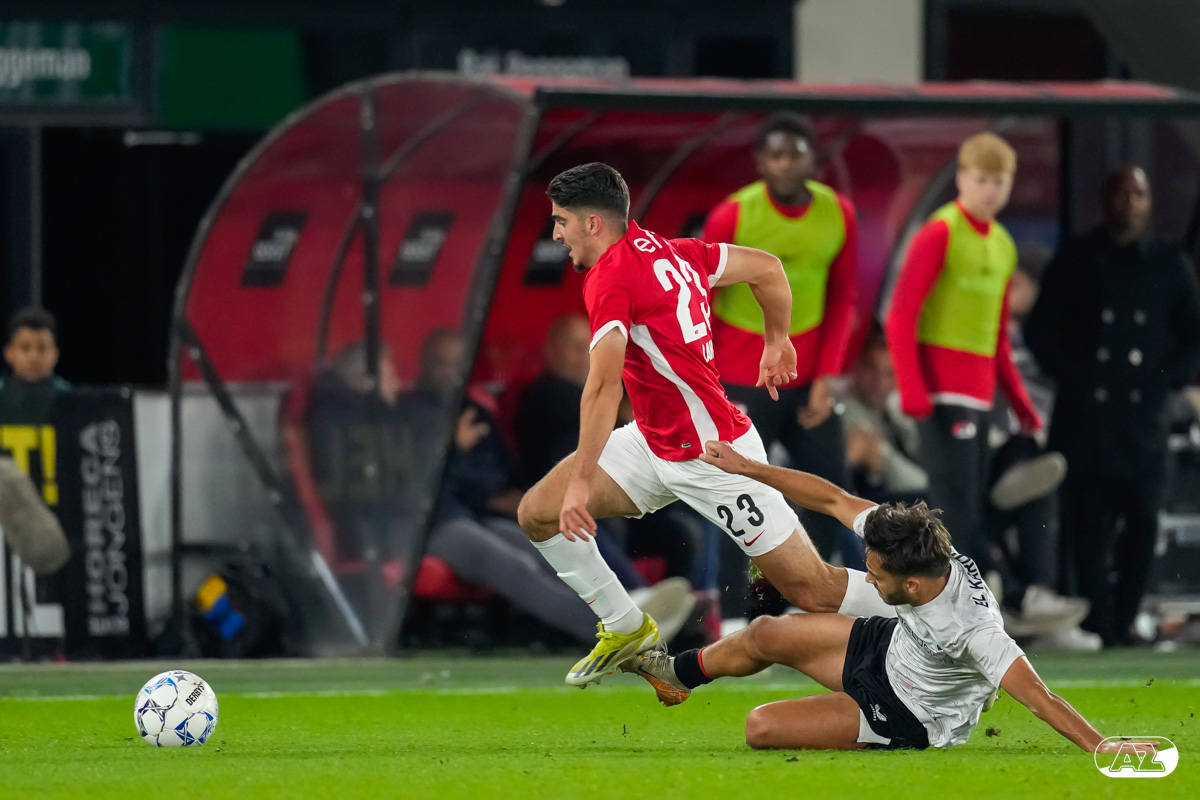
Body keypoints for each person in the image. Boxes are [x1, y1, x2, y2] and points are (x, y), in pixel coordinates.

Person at [517, 162, 897, 687]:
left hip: (714, 455)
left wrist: (581, 481)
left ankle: (943, 610)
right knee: (537, 513)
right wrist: (777, 339)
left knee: (812, 589)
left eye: (561, 221)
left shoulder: (610, 277)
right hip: (654, 443)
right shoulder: (673, 251)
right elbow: (767, 268)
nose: (557, 234)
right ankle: (625, 624)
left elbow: (603, 386)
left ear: (593, 224)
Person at [623, 440, 1154, 757]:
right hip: (891, 645)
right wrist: (750, 469)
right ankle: (675, 676)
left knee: (760, 727)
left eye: (876, 576)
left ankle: (948, 708)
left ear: (912, 586)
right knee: (767, 632)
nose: (868, 579)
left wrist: (1103, 746)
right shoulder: (907, 541)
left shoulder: (974, 630)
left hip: (907, 710)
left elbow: (1040, 697)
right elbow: (833, 499)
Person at [884, 133, 1081, 633]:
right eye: (981, 179)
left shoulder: (1003, 245)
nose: (990, 190)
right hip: (940, 393)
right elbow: (901, 314)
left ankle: (987, 598)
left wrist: (1020, 403)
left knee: (971, 505)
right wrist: (913, 388)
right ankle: (977, 603)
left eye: (999, 181)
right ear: (962, 179)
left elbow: (996, 338)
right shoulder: (940, 231)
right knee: (952, 507)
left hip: (979, 396)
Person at [1026, 165, 1200, 647]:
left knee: (1143, 521)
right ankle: (1097, 622)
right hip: (1087, 418)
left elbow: (1193, 334)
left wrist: (1166, 382)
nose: (1128, 203)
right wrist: (1076, 377)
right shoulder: (1076, 258)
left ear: (1150, 201)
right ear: (1104, 201)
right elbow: (1041, 330)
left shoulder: (1169, 263)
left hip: (1144, 418)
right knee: (1087, 523)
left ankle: (1125, 619)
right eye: (1120, 193)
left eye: (1138, 194)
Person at [703, 114, 857, 560]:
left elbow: (843, 299)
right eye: (776, 155)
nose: (786, 164)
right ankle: (736, 599)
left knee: (831, 491)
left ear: (813, 161)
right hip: (740, 377)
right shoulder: (733, 214)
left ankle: (811, 590)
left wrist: (826, 378)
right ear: (760, 162)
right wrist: (701, 377)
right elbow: (699, 298)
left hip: (807, 381)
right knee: (740, 497)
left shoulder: (838, 213)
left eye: (795, 154)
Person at [839, 332, 927, 502]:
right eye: (871, 368)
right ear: (856, 366)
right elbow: (912, 483)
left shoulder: (892, 413)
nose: (878, 381)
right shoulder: (846, 411)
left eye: (889, 373)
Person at [0, 306, 70, 423]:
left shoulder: (70, 399)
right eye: (25, 348)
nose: (34, 357)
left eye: (42, 348)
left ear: (55, 354)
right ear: (9, 353)